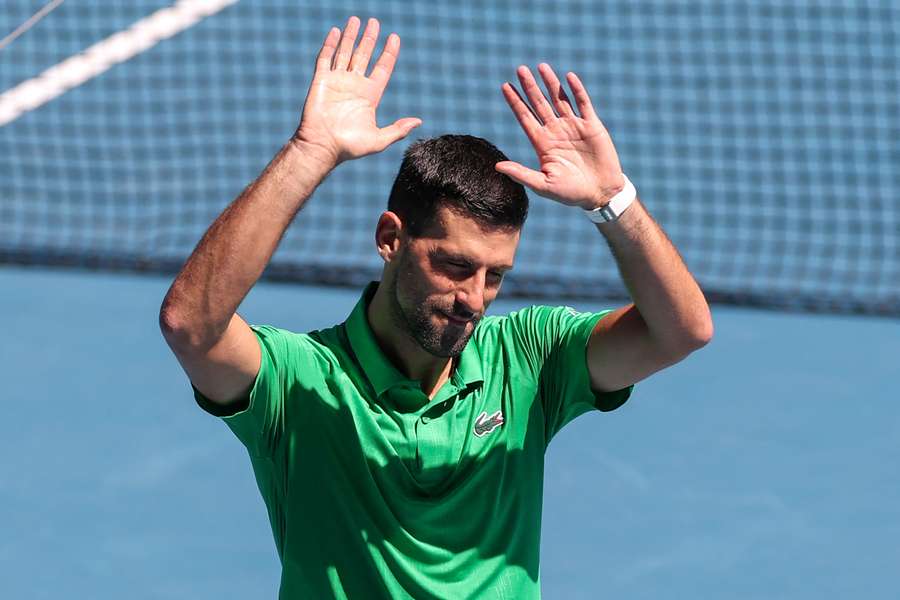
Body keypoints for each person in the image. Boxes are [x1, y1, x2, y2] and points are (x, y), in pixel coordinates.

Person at [159, 16, 713, 600]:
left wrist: (612, 201)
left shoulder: (528, 360)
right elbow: (191, 325)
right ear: (390, 239)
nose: (473, 299)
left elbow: (681, 331)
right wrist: (310, 152)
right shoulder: (301, 384)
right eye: (454, 266)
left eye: (494, 275)